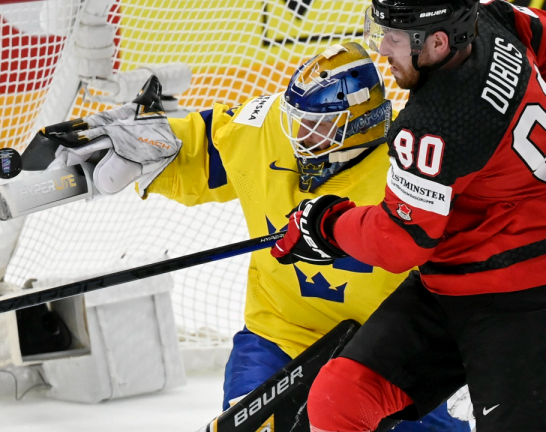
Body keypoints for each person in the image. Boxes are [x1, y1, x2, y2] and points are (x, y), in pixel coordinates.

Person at [37, 41, 468, 430]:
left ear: (361, 125)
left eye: (315, 127)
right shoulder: (268, 130)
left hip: (393, 355)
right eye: (295, 120)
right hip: (279, 336)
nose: (298, 135)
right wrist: (153, 143)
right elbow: (205, 146)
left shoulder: (413, 174)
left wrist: (472, 354)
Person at [267, 1, 546, 431]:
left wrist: (324, 223)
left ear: (437, 41)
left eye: (395, 37)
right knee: (338, 399)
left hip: (522, 298)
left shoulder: (436, 124)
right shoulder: (490, 17)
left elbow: (398, 241)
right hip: (449, 283)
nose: (382, 49)